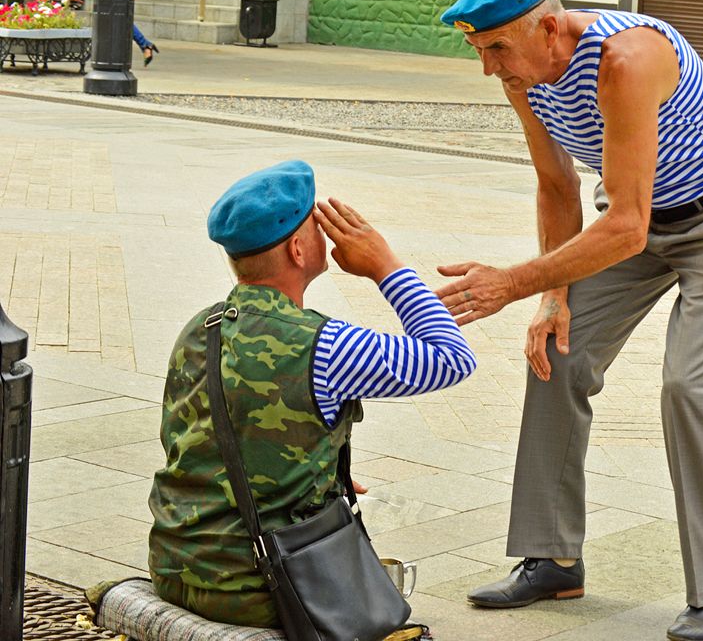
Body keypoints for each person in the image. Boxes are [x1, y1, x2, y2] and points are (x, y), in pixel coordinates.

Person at [435, 0, 703, 641]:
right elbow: (557, 186)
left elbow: (626, 223)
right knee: (557, 353)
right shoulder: (522, 76)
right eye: (479, 52)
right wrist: (551, 298)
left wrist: (512, 283)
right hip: (636, 224)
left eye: (497, 48)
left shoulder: (627, 55)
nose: (490, 70)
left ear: (551, 26)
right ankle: (554, 557)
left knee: (691, 386)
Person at [146, 160, 476, 627]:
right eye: (316, 227)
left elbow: (204, 445)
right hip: (257, 584)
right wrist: (386, 266)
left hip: (175, 566)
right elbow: (451, 356)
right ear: (299, 249)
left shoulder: (200, 328)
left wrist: (309, 469)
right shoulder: (326, 345)